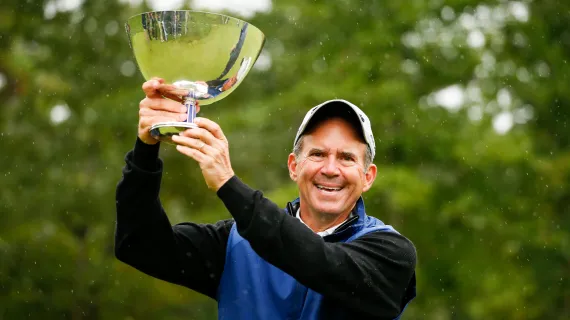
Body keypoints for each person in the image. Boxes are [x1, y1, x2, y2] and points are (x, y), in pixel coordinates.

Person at [114, 78, 417, 320]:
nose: (330, 169)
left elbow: (318, 262)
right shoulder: (235, 242)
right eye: (318, 154)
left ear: (368, 177)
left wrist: (228, 184)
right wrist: (146, 147)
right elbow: (138, 245)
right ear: (294, 166)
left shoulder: (390, 252)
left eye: (347, 158)